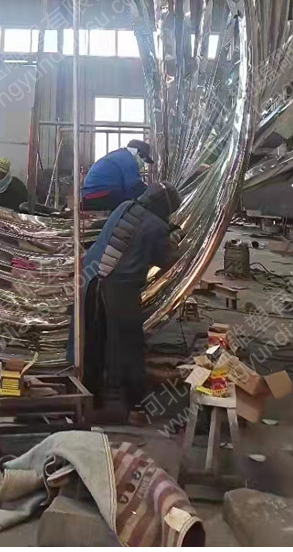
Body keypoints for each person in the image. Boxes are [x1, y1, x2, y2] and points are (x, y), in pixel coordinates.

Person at [78, 181, 180, 423]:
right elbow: (166, 259)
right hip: (119, 290)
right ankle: (131, 407)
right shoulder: (156, 226)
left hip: (92, 281)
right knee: (127, 346)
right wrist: (175, 238)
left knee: (95, 342)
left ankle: (91, 398)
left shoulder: (125, 206)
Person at [81, 138, 153, 212]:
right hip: (99, 196)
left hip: (91, 195)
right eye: (143, 160)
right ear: (137, 152)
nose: (143, 163)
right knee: (133, 202)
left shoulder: (120, 155)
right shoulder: (127, 159)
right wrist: (151, 192)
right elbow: (134, 186)